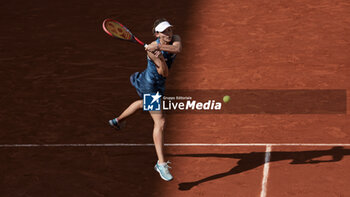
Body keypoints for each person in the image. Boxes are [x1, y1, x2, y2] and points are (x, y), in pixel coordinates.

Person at [108, 18, 181, 181]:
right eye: (164, 31)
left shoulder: (175, 39)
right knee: (160, 121)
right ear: (157, 34)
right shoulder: (150, 51)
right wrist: (160, 57)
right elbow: (165, 73)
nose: (169, 33)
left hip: (155, 84)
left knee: (143, 105)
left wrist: (159, 47)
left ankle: (118, 120)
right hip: (151, 86)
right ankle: (161, 164)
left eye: (169, 30)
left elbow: (178, 48)